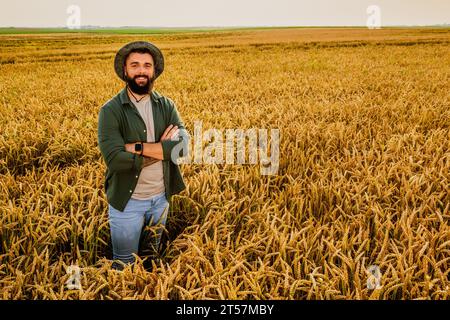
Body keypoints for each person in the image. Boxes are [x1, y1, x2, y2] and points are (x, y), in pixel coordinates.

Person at [97, 41, 190, 270]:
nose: (141, 71)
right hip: (128, 204)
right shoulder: (111, 111)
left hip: (161, 200)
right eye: (135, 65)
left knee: (152, 259)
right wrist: (162, 150)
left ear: (154, 70)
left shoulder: (166, 105)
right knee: (125, 265)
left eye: (147, 65)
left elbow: (182, 148)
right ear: (125, 71)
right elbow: (116, 161)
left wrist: (137, 147)